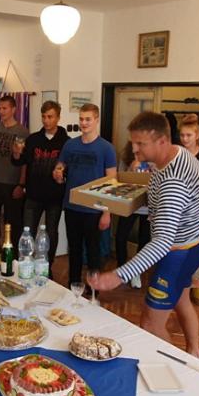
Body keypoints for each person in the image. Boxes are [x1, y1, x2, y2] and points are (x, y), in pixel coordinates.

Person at [89, 112, 199, 357]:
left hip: (177, 253)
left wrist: (118, 275)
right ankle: (195, 354)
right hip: (192, 246)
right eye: (133, 142)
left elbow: (162, 242)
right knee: (182, 301)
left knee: (150, 325)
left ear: (162, 141)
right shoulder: (178, 154)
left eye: (141, 143)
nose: (134, 149)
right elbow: (162, 202)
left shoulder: (173, 181)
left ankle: (181, 369)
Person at [55, 103, 116, 286]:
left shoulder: (106, 148)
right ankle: (73, 284)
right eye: (81, 119)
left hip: (95, 209)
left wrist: (107, 213)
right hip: (72, 207)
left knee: (93, 251)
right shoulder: (70, 145)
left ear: (96, 120)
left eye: (88, 119)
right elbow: (60, 167)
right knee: (74, 249)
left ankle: (93, 288)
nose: (83, 123)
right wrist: (57, 173)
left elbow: (112, 183)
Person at [14, 100, 69, 270]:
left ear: (58, 118)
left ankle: (47, 267)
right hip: (33, 195)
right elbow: (20, 162)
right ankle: (25, 265)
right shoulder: (33, 139)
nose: (46, 120)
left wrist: (62, 176)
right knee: (27, 231)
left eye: (50, 117)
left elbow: (69, 170)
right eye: (44, 116)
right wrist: (16, 154)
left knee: (51, 233)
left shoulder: (66, 142)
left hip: (55, 196)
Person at [0, 95, 30, 236]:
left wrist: (21, 185)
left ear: (13, 109)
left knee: (12, 224)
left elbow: (25, 162)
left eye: (5, 108)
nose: (1, 111)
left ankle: (11, 249)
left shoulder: (22, 132)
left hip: (12, 183)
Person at [113, 143, 151, 286]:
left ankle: (137, 271)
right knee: (121, 236)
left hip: (148, 205)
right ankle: (122, 269)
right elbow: (119, 180)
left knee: (144, 239)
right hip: (129, 203)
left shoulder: (154, 156)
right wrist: (131, 169)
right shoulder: (126, 156)